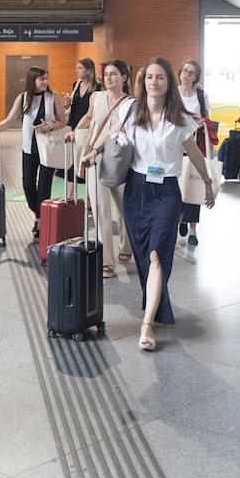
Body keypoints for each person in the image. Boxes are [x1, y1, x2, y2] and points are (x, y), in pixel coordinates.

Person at [85, 58, 216, 352]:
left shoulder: (180, 118)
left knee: (157, 255)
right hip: (137, 190)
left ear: (168, 83)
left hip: (167, 194)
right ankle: (157, 310)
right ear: (143, 83)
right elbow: (111, 132)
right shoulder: (132, 110)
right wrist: (94, 151)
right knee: (144, 256)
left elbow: (194, 153)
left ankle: (146, 324)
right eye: (149, 78)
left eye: (159, 78)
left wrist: (208, 183)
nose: (153, 83)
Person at [0, 67, 65, 238]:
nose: (45, 82)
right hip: (29, 148)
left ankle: (39, 221)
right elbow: (11, 118)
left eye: (47, 78)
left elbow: (63, 121)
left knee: (44, 186)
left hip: (47, 148)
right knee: (28, 184)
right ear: (33, 81)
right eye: (42, 79)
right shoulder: (23, 98)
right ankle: (38, 211)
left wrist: (50, 126)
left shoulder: (53, 98)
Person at [75, 60, 133, 277]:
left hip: (120, 159)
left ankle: (126, 246)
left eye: (114, 74)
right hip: (95, 158)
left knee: (124, 205)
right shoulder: (96, 97)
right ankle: (106, 260)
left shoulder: (131, 103)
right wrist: (76, 130)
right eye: (106, 74)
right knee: (100, 208)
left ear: (124, 77)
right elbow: (90, 118)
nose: (108, 78)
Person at [176, 59, 214, 247]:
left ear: (196, 76)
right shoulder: (172, 94)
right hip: (174, 148)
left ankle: (192, 229)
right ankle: (180, 218)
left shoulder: (201, 95)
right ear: (180, 73)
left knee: (193, 186)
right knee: (177, 187)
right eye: (185, 71)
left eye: (191, 72)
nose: (187, 74)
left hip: (194, 146)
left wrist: (201, 121)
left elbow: (208, 118)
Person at [64, 58, 102, 195]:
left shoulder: (97, 88)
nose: (77, 71)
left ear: (89, 70)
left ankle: (89, 198)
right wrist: (68, 102)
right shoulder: (76, 84)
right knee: (71, 162)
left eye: (80, 68)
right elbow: (72, 107)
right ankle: (68, 196)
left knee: (85, 162)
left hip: (88, 129)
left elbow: (93, 112)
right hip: (75, 126)